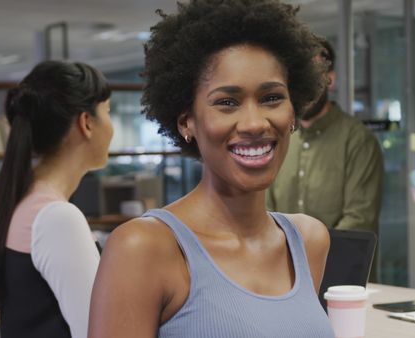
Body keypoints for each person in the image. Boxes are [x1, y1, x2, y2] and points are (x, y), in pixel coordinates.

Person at [88, 0, 334, 337]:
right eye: (227, 102)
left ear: (293, 111)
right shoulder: (144, 248)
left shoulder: (308, 241)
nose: (253, 122)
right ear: (187, 121)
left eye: (272, 98)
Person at [0, 60, 113, 338]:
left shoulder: (24, 199)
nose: (112, 128)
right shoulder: (57, 217)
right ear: (86, 123)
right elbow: (97, 332)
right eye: (108, 112)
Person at [266, 37, 383, 234]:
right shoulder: (279, 139)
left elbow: (358, 221)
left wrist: (305, 259)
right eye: (295, 79)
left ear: (330, 79)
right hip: (282, 264)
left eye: (311, 77)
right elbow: (264, 213)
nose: (303, 89)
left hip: (337, 264)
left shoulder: (358, 140)